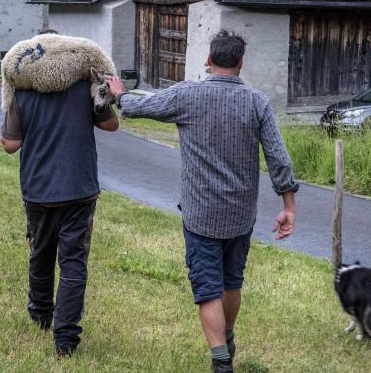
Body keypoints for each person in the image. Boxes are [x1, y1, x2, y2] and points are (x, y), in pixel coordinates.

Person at [106, 30, 298, 373]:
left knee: (208, 288)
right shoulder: (258, 102)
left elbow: (140, 106)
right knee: (231, 280)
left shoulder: (188, 95)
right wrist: (288, 207)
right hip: (241, 215)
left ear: (208, 61)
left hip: (201, 215)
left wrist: (120, 94)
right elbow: (279, 158)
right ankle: (228, 335)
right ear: (240, 63)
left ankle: (221, 360)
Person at [0, 32, 120, 357]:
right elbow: (112, 125)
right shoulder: (85, 88)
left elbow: (10, 146)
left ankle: (40, 315)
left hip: (38, 190)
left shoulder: (22, 94)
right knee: (73, 263)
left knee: (40, 254)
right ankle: (65, 340)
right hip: (79, 189)